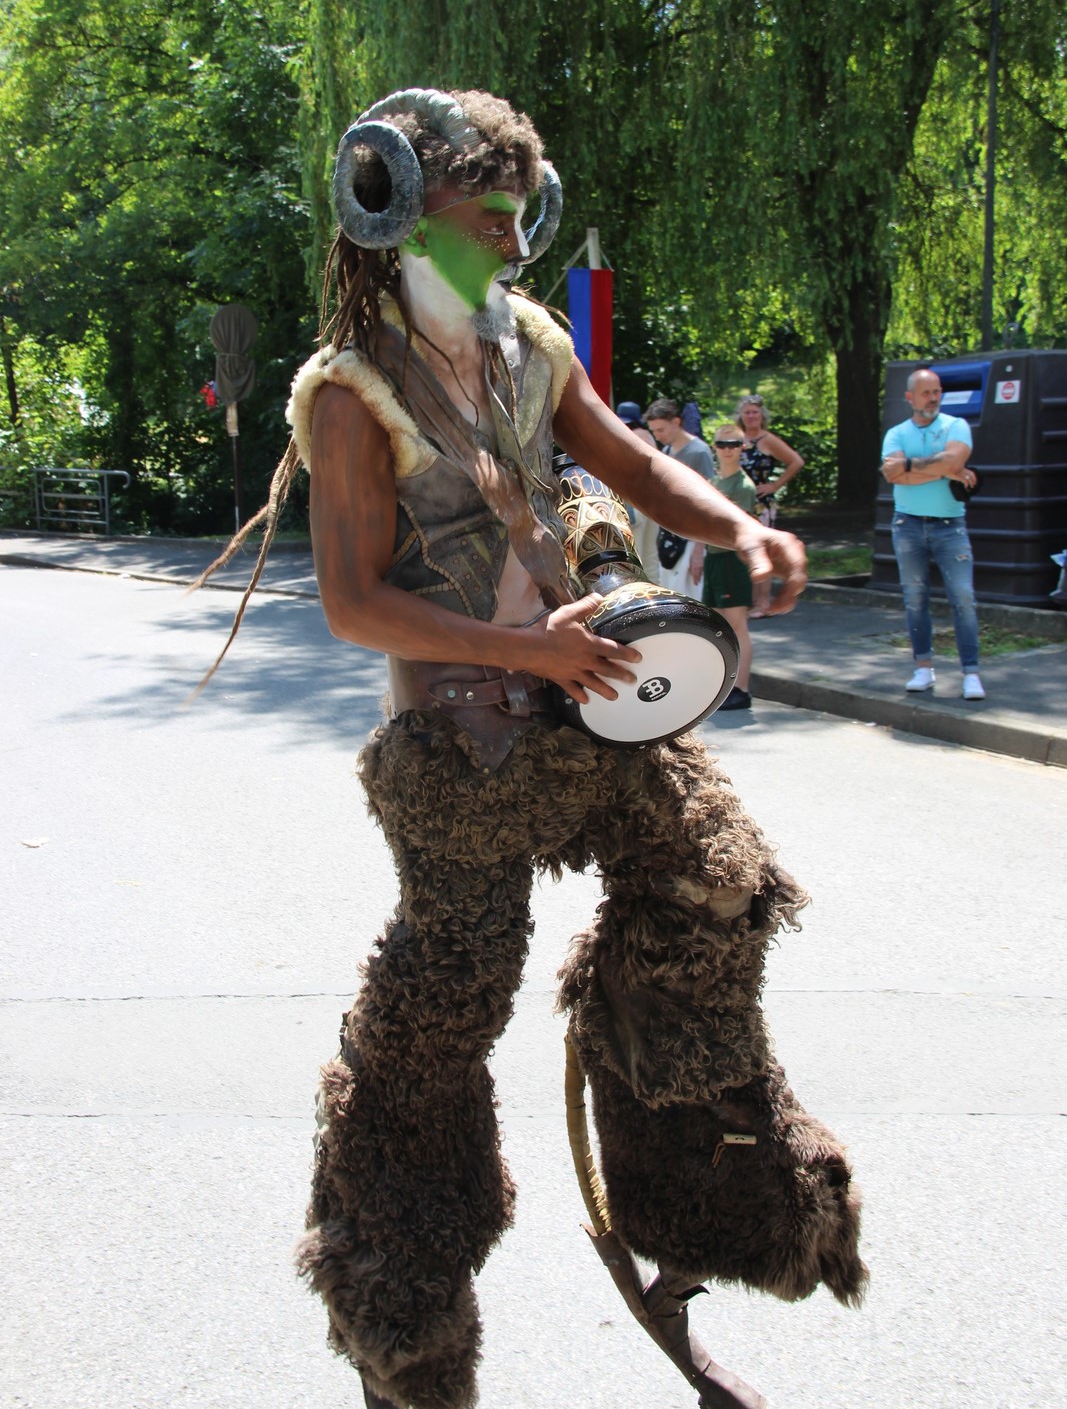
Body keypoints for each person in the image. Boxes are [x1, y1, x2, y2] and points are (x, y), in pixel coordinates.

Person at [208, 87, 865, 1409]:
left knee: (713, 886)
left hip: (588, 704)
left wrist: (738, 528)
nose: (510, 245)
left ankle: (694, 1198)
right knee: (446, 999)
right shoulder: (349, 393)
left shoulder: (527, 344)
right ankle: (398, 1298)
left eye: (521, 218)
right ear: (401, 214)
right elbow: (351, 604)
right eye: (484, 220)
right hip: (456, 756)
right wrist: (527, 656)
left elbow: (631, 464)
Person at [880, 367, 984, 700]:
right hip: (907, 525)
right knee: (915, 600)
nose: (933, 398)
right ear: (910, 397)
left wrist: (911, 465)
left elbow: (954, 459)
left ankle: (971, 672)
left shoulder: (956, 425)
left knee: (963, 598)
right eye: (926, 393)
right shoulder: (896, 433)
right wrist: (944, 470)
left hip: (950, 526)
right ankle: (923, 667)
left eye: (937, 391)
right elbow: (893, 474)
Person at [703, 424, 758, 711]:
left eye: (734, 444)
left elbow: (738, 529)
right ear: (715, 447)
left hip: (733, 560)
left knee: (737, 626)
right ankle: (723, 684)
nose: (728, 450)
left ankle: (742, 688)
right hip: (714, 558)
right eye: (722, 444)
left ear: (742, 447)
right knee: (718, 625)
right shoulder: (714, 481)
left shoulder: (743, 486)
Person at [735, 393, 805, 615]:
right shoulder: (737, 438)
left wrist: (775, 485)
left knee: (762, 550)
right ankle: (748, 600)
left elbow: (796, 461)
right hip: (740, 500)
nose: (751, 416)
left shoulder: (768, 439)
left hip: (761, 502)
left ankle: (763, 602)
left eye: (755, 412)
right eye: (747, 412)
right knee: (743, 551)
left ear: (762, 415)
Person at [643, 397, 716, 597]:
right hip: (670, 535)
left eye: (661, 430)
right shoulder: (667, 450)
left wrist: (698, 550)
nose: (657, 436)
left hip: (693, 536)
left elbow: (708, 503)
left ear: (676, 422)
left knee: (691, 597)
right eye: (654, 431)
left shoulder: (699, 451)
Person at [613, 400, 660, 581]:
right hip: (653, 503)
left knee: (636, 558)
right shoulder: (649, 436)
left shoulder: (626, 436)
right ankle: (657, 593)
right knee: (650, 557)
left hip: (635, 502)